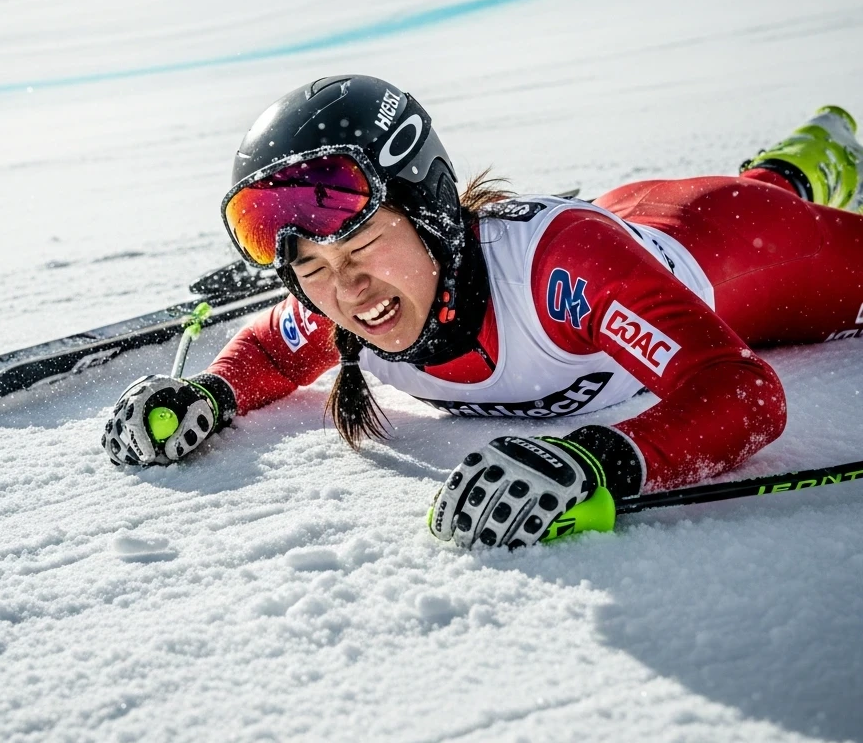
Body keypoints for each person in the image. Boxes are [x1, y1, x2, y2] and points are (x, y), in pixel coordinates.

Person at [103, 77, 863, 551]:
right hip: (630, 221)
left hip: (739, 248)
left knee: (778, 204)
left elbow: (742, 390)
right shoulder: (343, 308)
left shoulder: (559, 269)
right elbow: (272, 350)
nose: (351, 291)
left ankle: (803, 163)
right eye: (315, 270)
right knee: (773, 185)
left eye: (364, 246)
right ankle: (792, 165)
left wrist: (601, 458)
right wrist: (208, 392)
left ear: (429, 213)